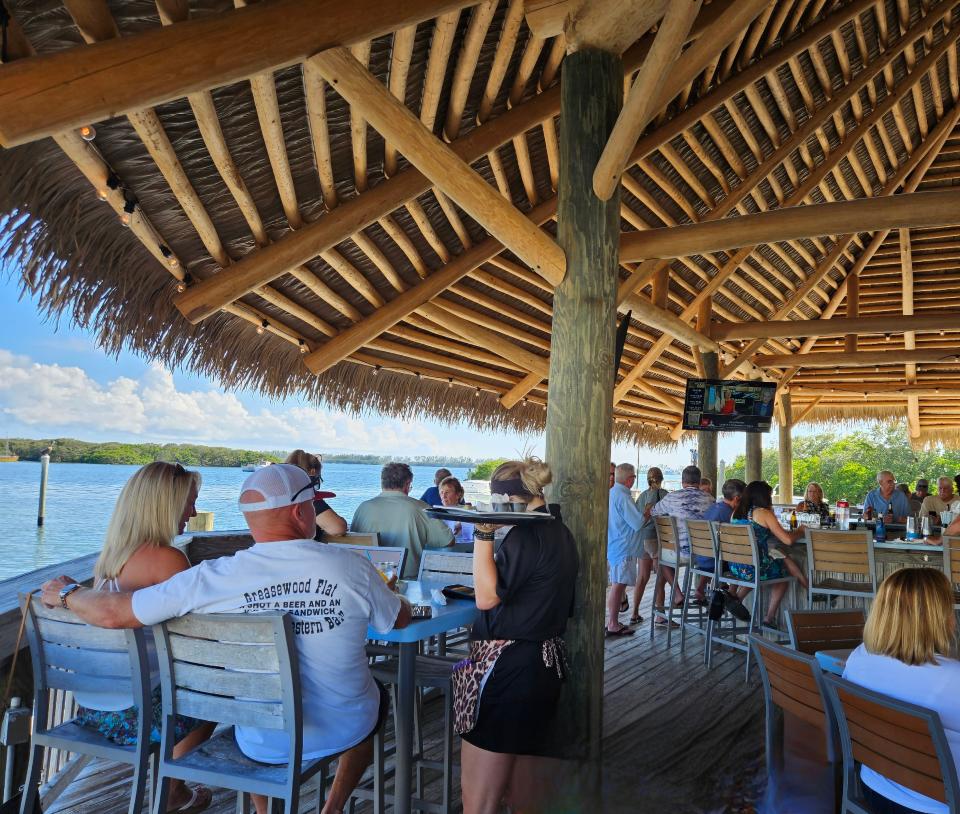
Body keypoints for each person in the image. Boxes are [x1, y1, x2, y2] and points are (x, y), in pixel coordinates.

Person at [42, 464, 412, 814]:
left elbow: (112, 612)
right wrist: (395, 598)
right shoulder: (350, 566)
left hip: (257, 738)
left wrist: (67, 593)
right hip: (341, 729)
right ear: (301, 513)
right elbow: (397, 619)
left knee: (244, 700)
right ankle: (332, 808)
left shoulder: (210, 578)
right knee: (376, 699)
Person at [70, 462, 214, 814]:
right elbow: (202, 636)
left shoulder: (108, 561)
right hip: (136, 716)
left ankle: (172, 788)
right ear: (163, 506)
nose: (193, 513)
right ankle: (172, 791)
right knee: (220, 696)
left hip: (93, 709)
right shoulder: (167, 560)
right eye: (188, 503)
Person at [459, 458, 578, 814]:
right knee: (526, 800)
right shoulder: (559, 530)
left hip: (508, 670)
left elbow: (485, 597)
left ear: (510, 499)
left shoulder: (528, 536)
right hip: (543, 666)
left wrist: (483, 533)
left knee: (479, 804)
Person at [843, 568, 960, 814]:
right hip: (938, 806)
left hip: (875, 788)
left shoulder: (859, 658)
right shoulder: (953, 678)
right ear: (940, 616)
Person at [728, 481, 808, 628]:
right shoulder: (763, 513)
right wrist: (801, 530)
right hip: (753, 568)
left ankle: (735, 599)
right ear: (763, 496)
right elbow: (788, 540)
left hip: (735, 566)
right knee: (783, 574)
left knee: (778, 556)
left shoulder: (736, 512)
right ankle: (768, 618)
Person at [351, 462, 454, 577]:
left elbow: (354, 543)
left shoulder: (363, 508)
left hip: (369, 579)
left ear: (382, 483)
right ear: (407, 483)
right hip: (408, 582)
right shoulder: (421, 508)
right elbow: (448, 541)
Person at [650, 465, 714, 623]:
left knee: (660, 558)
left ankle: (677, 592)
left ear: (682, 481)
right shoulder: (710, 499)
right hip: (704, 555)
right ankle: (699, 590)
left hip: (680, 553)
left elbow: (653, 512)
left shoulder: (672, 497)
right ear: (699, 481)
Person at [605, 463, 645, 636]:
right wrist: (648, 512)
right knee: (618, 586)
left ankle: (612, 621)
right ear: (630, 479)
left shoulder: (612, 493)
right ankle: (612, 623)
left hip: (616, 545)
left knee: (617, 585)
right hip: (623, 547)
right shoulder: (623, 496)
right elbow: (637, 523)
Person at [693, 479, 746, 604]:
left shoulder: (714, 507)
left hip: (702, 558)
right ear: (737, 498)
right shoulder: (731, 514)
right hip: (715, 562)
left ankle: (703, 588)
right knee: (744, 561)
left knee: (721, 552)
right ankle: (732, 596)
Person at [631, 467, 668, 625]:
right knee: (660, 576)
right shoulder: (665, 495)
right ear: (661, 479)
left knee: (642, 576)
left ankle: (634, 613)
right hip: (656, 538)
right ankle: (660, 614)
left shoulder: (642, 496)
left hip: (642, 538)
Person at [285, 449, 348, 538]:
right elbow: (338, 528)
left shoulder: (276, 495)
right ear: (313, 472)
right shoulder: (306, 497)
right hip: (301, 550)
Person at [439, 475, 473, 543]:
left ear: (458, 494)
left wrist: (462, 523)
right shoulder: (437, 512)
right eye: (442, 492)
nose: (443, 496)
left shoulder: (467, 512)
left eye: (447, 492)